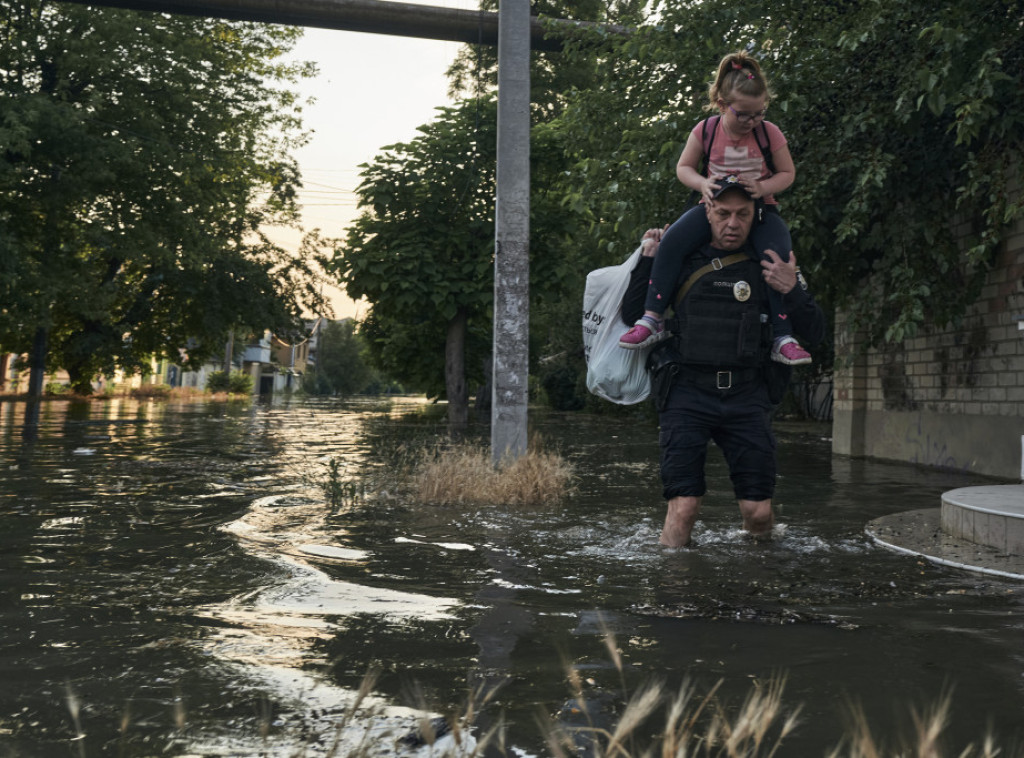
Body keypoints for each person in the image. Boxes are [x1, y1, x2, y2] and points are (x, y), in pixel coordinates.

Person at [622, 177, 825, 548]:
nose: (733, 223)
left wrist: (791, 287)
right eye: (724, 213)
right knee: (684, 508)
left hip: (748, 396)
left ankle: (754, 589)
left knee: (758, 513)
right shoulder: (680, 258)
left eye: (743, 214)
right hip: (687, 394)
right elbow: (632, 314)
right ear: (707, 211)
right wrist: (647, 259)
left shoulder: (771, 262)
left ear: (755, 216)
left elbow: (815, 333)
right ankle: (674, 596)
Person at [619, 51, 812, 367]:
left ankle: (782, 336)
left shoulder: (769, 133)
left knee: (777, 258)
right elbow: (684, 167)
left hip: (760, 210)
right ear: (722, 105)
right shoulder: (706, 131)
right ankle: (652, 317)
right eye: (744, 115)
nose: (752, 122)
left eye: (759, 113)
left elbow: (787, 173)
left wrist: (763, 187)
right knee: (671, 244)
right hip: (713, 206)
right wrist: (702, 184)